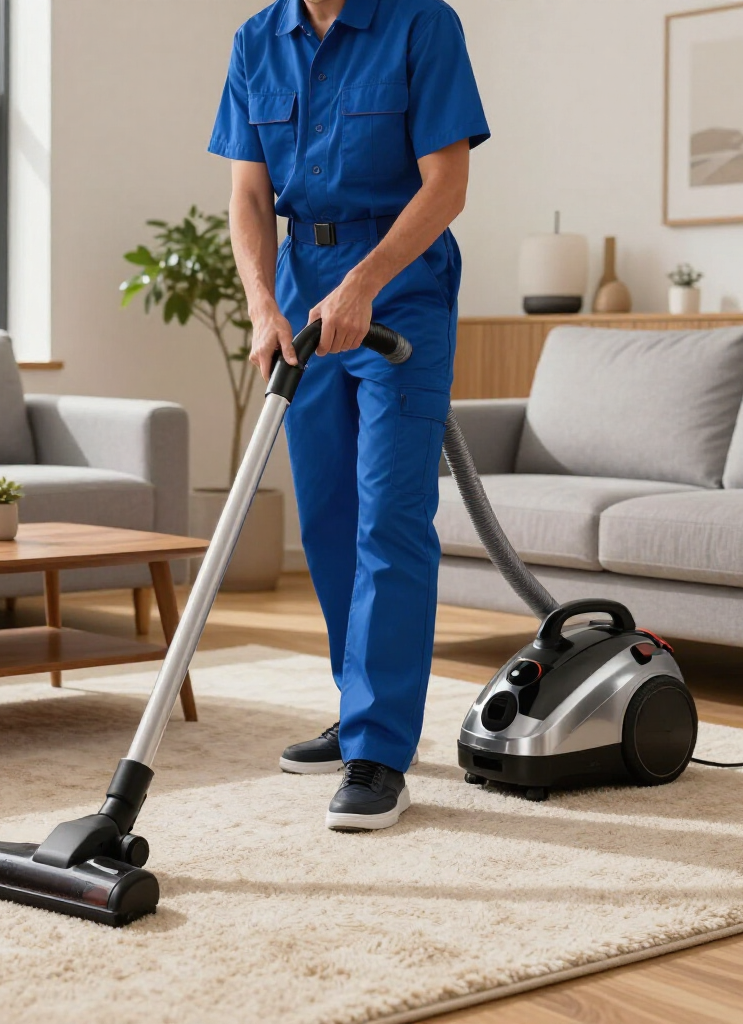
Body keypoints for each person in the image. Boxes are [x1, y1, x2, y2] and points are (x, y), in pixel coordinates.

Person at [208, 0, 489, 831]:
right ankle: (355, 706)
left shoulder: (420, 25)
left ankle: (380, 751)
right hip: (300, 286)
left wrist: (363, 282)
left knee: (390, 516)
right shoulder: (257, 41)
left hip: (399, 282)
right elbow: (250, 197)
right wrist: (263, 305)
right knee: (328, 514)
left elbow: (448, 185)